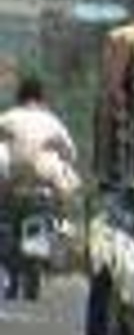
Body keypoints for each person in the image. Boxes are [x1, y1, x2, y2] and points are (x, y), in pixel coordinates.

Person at [0, 74, 78, 300]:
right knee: (50, 217)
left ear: (19, 97)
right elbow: (72, 153)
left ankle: (13, 275)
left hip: (12, 189)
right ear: (41, 98)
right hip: (42, 191)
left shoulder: (8, 117)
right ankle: (43, 256)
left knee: (8, 228)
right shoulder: (52, 121)